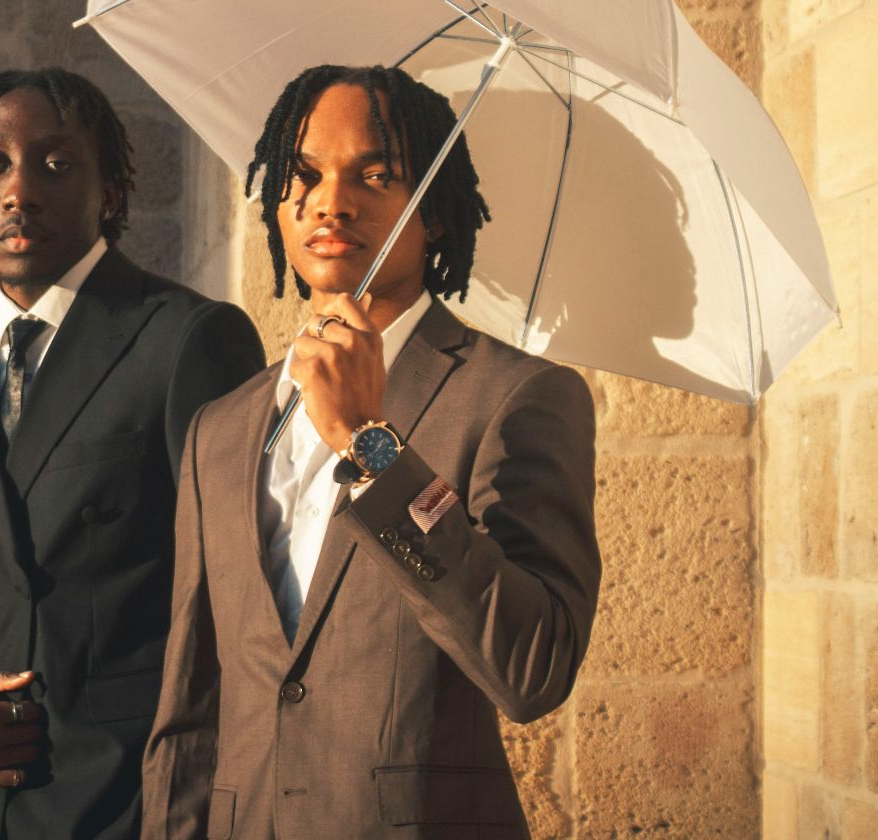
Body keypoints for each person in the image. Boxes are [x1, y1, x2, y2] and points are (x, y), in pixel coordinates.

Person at [142, 66, 602, 839]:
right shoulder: (217, 430)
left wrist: (371, 445)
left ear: (436, 216)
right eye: (305, 175)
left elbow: (533, 667)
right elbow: (189, 712)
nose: (331, 200)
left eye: (375, 173)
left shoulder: (517, 397)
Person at [0, 68, 266, 840]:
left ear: (110, 191)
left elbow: (237, 599)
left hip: (136, 803)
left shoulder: (188, 340)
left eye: (55, 164)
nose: (20, 191)